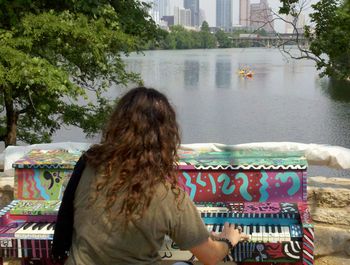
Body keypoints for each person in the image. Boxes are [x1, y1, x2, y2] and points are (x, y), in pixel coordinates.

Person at [53, 86, 249, 265]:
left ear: (117, 126)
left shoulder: (89, 165)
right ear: (166, 137)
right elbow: (211, 256)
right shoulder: (168, 195)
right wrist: (228, 240)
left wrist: (202, 236)